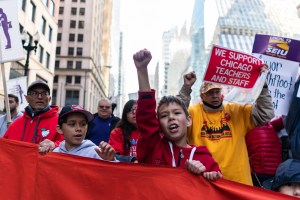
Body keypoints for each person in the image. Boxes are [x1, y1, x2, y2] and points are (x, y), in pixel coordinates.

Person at [133, 49, 222, 181]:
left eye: (177, 113)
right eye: (164, 116)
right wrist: (142, 70)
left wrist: (210, 177)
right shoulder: (154, 147)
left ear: (188, 121)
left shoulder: (204, 157)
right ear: (159, 125)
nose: (171, 117)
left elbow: (219, 186)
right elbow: (146, 117)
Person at [177, 69, 274, 185]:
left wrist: (262, 85)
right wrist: (186, 88)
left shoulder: (236, 110)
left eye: (217, 92)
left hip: (238, 183)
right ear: (202, 96)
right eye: (209, 93)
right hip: (205, 182)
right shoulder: (193, 112)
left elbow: (265, 115)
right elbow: (176, 115)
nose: (214, 96)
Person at [4, 80, 64, 153]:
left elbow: (71, 146)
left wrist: (55, 145)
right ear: (27, 98)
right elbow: (4, 149)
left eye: (44, 93)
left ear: (49, 99)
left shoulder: (60, 122)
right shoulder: (15, 124)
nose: (39, 97)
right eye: (34, 93)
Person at [45, 105, 116, 161]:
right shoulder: (54, 153)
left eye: (83, 124)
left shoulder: (97, 153)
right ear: (59, 129)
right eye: (72, 124)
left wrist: (110, 161)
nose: (79, 129)